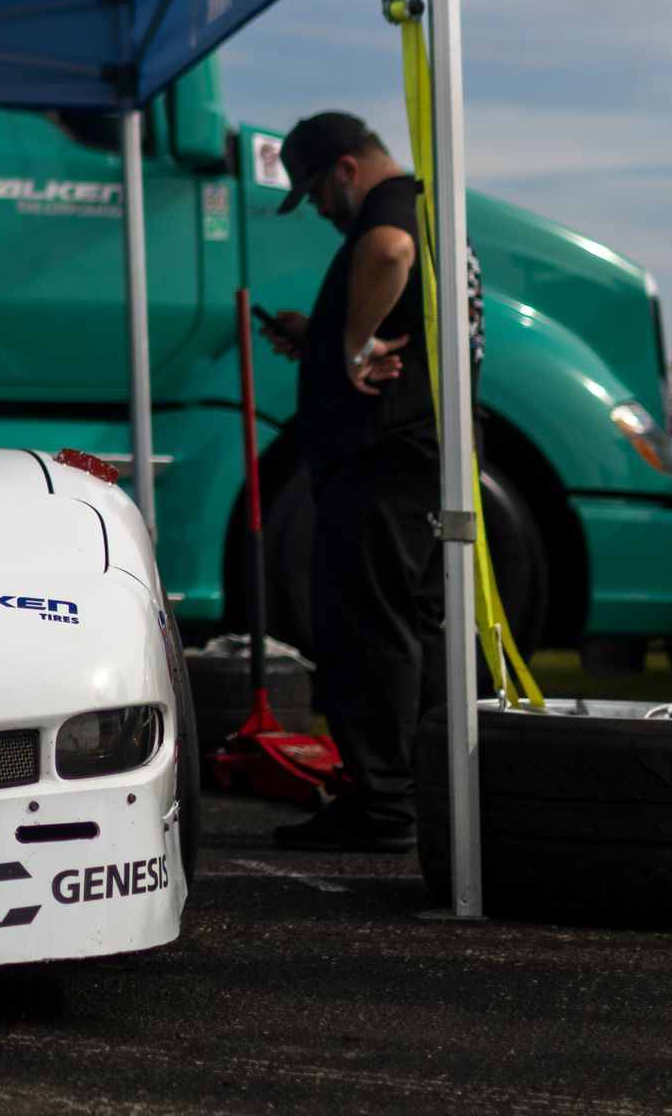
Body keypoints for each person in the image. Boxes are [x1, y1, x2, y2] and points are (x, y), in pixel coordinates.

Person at [258, 111, 441, 854]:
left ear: (344, 171)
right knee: (409, 627)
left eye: (319, 196)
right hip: (409, 455)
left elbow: (388, 254)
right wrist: (326, 336)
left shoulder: (393, 214)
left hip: (378, 458)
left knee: (366, 629)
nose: (325, 215)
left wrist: (354, 344)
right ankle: (418, 795)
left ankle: (383, 804)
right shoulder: (435, 211)